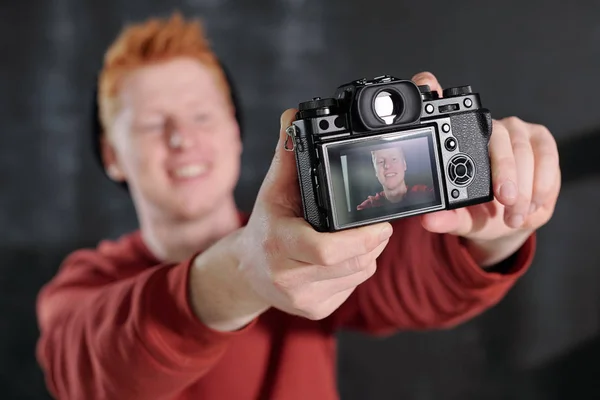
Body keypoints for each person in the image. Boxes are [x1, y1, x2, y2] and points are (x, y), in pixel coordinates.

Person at [35, 12, 561, 400]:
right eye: (153, 125)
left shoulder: (313, 238)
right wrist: (245, 272)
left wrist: (499, 230)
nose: (182, 140)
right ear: (111, 155)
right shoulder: (84, 285)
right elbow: (89, 371)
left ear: (236, 131)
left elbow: (414, 283)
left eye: (201, 116)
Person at [357, 144, 433, 210]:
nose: (387, 165)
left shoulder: (427, 194)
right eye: (381, 161)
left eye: (394, 159)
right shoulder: (367, 207)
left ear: (404, 165)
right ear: (375, 171)